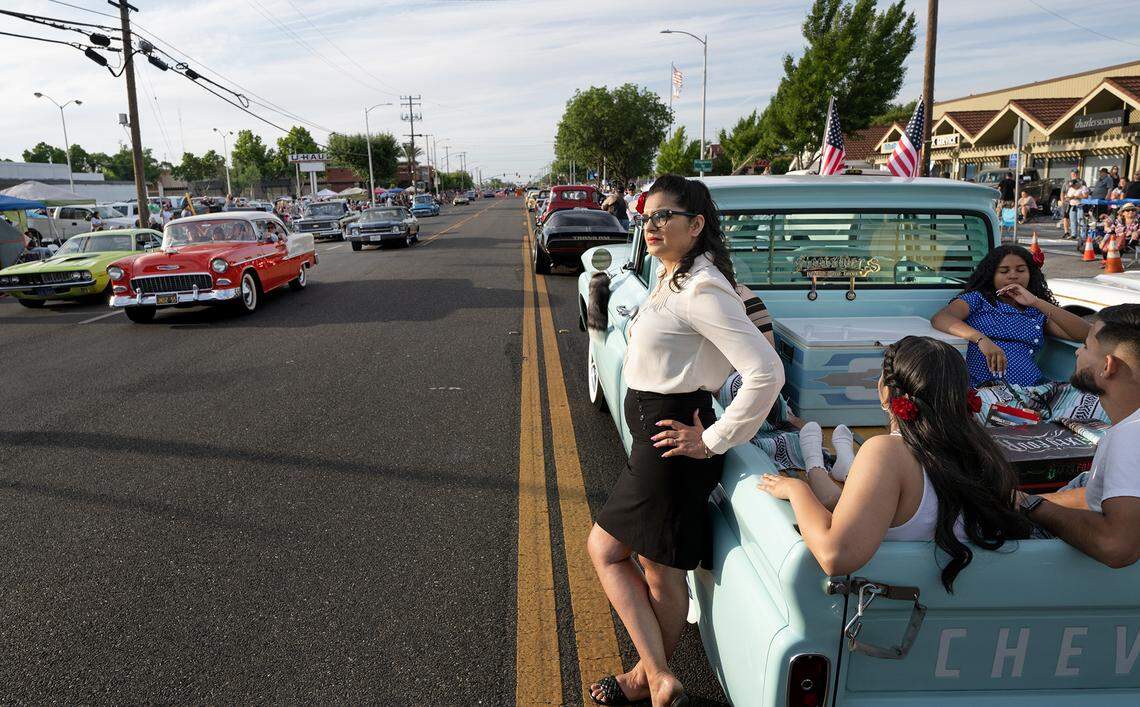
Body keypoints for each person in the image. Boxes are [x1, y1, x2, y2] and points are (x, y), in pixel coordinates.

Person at [586, 175, 783, 706]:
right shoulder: (678, 274)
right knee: (657, 566)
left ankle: (654, 676)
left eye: (663, 216)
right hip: (660, 432)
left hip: (673, 440)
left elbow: (766, 372)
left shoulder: (702, 287)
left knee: (608, 551)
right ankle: (647, 678)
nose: (650, 225)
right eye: (644, 216)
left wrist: (714, 438)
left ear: (696, 225)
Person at [757, 336, 1032, 590]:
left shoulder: (887, 453)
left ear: (885, 392)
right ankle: (816, 460)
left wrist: (797, 490)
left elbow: (834, 556)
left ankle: (816, 458)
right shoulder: (985, 452)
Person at [931, 244, 1108, 424]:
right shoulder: (978, 300)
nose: (1013, 275)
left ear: (1030, 274)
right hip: (990, 391)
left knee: (1097, 404)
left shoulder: (1035, 312)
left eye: (1021, 270)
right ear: (991, 275)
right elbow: (941, 318)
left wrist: (1036, 302)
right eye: (1004, 271)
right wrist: (981, 339)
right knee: (1013, 421)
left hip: (1036, 389)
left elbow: (1085, 333)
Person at [1021, 304, 1140, 568]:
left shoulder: (1131, 435)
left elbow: (1117, 546)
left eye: (1085, 346)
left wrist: (1030, 506)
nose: (1077, 351)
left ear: (1108, 366)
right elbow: (1101, 497)